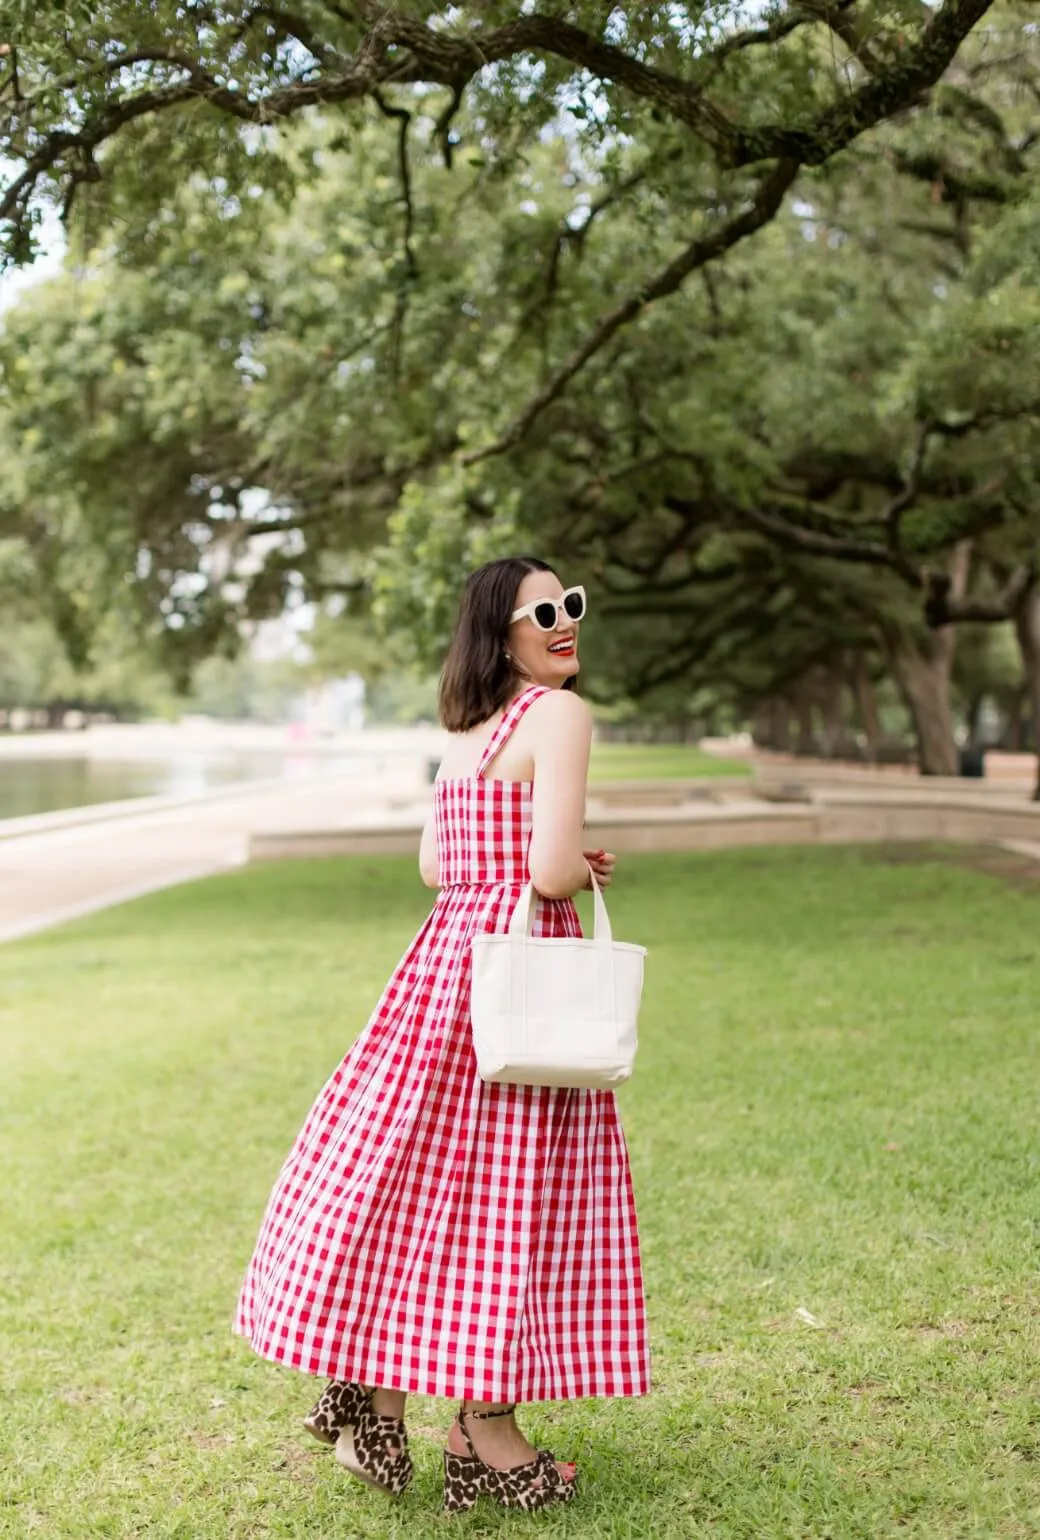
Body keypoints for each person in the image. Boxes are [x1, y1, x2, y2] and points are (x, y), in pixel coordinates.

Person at [234, 555, 649, 1513]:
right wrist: (570, 865)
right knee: (507, 1198)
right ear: (497, 631)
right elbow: (545, 873)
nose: (563, 620)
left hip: (442, 976)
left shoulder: (464, 732)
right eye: (542, 611)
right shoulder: (560, 716)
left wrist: (537, 856)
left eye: (571, 604)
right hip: (517, 984)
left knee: (423, 1188)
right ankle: (485, 1431)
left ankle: (376, 1394)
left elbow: (435, 864)